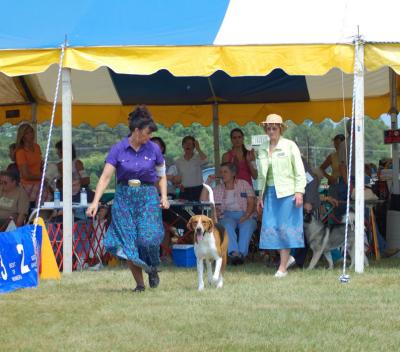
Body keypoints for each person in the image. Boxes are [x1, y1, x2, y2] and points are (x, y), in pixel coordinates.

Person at [86, 106, 169, 292]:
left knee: (149, 239)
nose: (149, 137)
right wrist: (94, 202)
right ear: (137, 130)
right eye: (147, 133)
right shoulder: (118, 149)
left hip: (148, 196)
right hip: (124, 198)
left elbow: (162, 176)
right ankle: (140, 284)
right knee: (128, 242)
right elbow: (106, 177)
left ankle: (152, 268)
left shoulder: (154, 149)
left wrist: (163, 196)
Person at [256, 114, 306, 278]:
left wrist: (299, 191)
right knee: (272, 229)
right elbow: (261, 176)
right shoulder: (262, 148)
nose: (271, 131)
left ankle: (282, 267)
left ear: (280, 129)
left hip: (287, 193)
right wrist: (259, 196)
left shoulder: (290, 145)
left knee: (285, 230)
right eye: (268, 128)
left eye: (274, 128)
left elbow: (299, 170)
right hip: (269, 192)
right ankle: (287, 259)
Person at [201, 162, 257, 264]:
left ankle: (241, 254)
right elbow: (203, 200)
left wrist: (246, 215)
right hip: (227, 215)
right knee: (227, 225)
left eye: (225, 172)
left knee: (247, 225)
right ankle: (235, 253)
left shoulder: (243, 184)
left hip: (245, 213)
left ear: (233, 173)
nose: (223, 174)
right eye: (221, 172)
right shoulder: (218, 188)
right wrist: (208, 181)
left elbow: (251, 201)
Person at [15, 123, 49, 207]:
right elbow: (25, 175)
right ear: (22, 136)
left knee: (48, 204)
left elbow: (40, 165)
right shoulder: (20, 152)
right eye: (27, 133)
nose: (31, 135)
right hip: (28, 186)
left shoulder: (37, 147)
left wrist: (44, 169)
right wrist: (42, 177)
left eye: (32, 132)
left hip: (39, 183)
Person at [175, 136, 207, 201]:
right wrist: (178, 185)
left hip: (198, 189)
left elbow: (206, 160)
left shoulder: (198, 158)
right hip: (184, 190)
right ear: (182, 146)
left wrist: (198, 149)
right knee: (184, 210)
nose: (188, 145)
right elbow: (177, 177)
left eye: (190, 144)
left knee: (198, 210)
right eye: (185, 143)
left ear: (194, 146)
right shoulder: (178, 161)